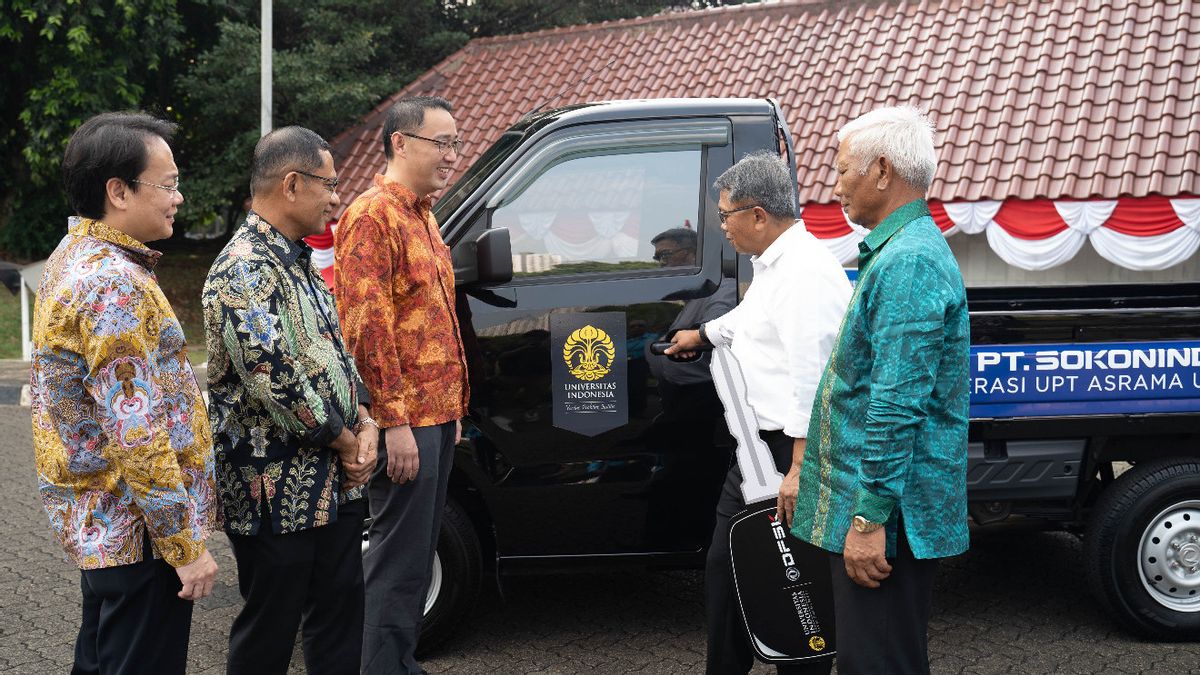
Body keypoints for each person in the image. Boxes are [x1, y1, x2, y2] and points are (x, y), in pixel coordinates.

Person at [29, 111, 219, 674]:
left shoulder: (74, 254)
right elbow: (137, 431)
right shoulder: (113, 284)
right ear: (118, 190)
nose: (179, 197)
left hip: (104, 523)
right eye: (167, 184)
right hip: (138, 535)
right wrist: (185, 547)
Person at [790, 106, 970, 675]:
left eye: (843, 170)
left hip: (889, 524)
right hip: (888, 515)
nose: (836, 185)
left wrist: (868, 524)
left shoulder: (909, 261)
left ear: (883, 171)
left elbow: (894, 407)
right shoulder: (900, 251)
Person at [667, 151, 852, 675]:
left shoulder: (806, 274)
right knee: (728, 570)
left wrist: (798, 468)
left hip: (792, 454)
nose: (721, 226)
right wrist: (702, 334)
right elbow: (750, 321)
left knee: (797, 581)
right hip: (759, 452)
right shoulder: (776, 265)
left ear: (757, 214)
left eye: (725, 215)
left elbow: (812, 379)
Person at [202, 126, 377, 675]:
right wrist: (350, 443)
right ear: (293, 184)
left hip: (337, 485)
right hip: (273, 493)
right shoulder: (243, 270)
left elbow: (336, 356)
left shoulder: (298, 261)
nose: (336, 197)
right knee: (270, 633)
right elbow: (278, 380)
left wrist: (366, 420)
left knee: (340, 620)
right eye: (329, 184)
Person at [334, 95, 470, 674]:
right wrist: (393, 422)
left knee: (415, 561)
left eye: (453, 144)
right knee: (396, 562)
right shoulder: (372, 215)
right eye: (442, 143)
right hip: (407, 420)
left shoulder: (424, 213)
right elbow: (367, 328)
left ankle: (400, 663)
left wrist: (454, 408)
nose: (451, 156)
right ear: (399, 143)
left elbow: (432, 319)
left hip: (436, 415)